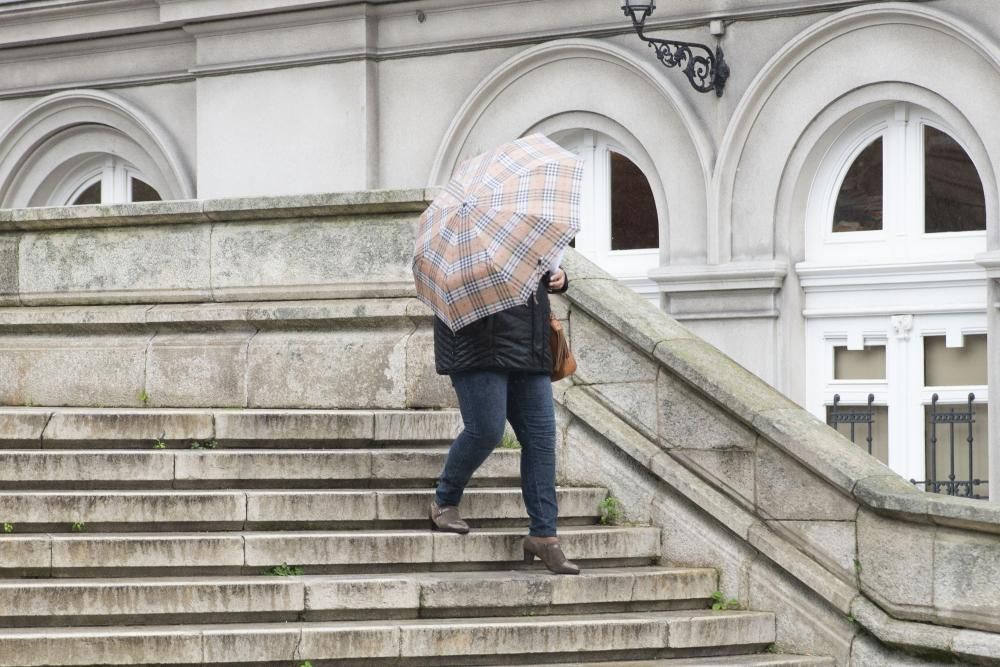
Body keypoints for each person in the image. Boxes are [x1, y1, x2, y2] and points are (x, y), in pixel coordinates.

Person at [429, 266, 579, 575]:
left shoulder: (519, 227)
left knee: (540, 440)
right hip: (477, 349)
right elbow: (444, 292)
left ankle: (544, 535)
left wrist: (558, 277)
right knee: (486, 431)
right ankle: (445, 500)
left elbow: (543, 269)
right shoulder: (462, 238)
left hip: (530, 346)